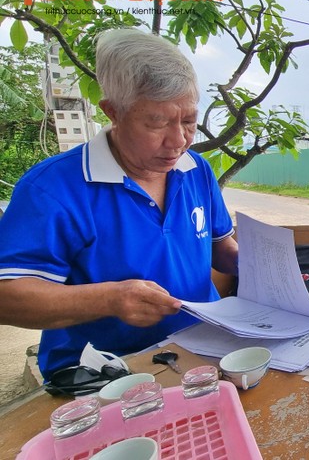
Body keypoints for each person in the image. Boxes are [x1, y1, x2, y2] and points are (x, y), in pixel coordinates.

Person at [0, 29, 238, 380]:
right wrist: (110, 299)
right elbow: (8, 295)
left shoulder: (195, 169)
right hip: (105, 371)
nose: (178, 141)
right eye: (156, 123)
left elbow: (220, 247)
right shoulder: (52, 189)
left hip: (204, 347)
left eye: (188, 121)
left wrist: (260, 265)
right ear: (112, 112)